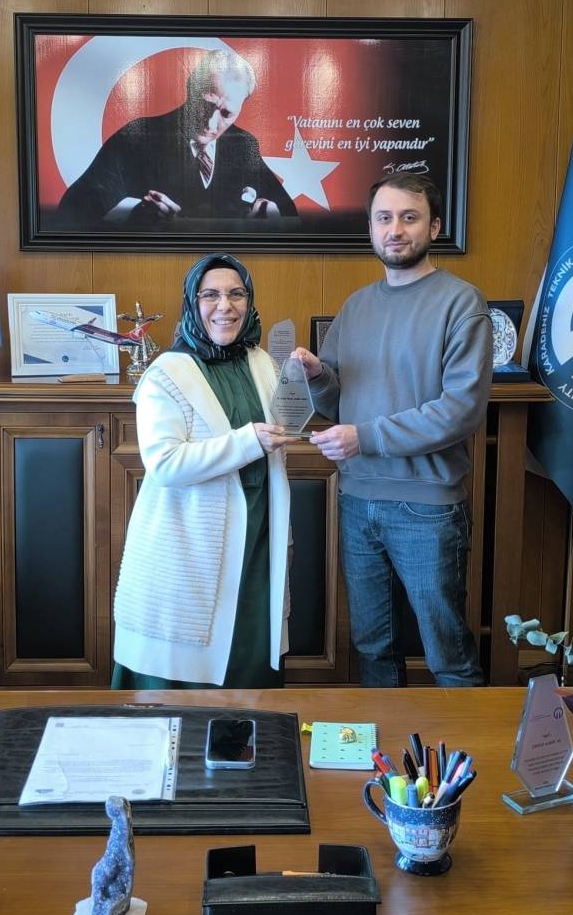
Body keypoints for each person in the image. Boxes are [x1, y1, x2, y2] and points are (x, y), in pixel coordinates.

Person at [291, 172, 492, 688]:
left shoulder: (461, 303)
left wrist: (366, 437)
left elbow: (461, 410)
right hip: (358, 501)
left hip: (428, 506)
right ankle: (386, 745)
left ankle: (466, 742)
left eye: (409, 217)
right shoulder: (356, 306)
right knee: (372, 649)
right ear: (371, 228)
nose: (395, 229)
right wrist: (316, 377)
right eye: (384, 218)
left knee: (447, 651)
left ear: (435, 227)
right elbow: (336, 402)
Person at [111, 253, 291, 688]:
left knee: (249, 659)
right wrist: (248, 441)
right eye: (210, 295)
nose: (224, 306)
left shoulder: (262, 362)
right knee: (181, 675)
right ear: (192, 304)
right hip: (188, 545)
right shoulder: (165, 373)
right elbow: (164, 463)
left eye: (236, 294)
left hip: (257, 539)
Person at [54, 50, 298, 228]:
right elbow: (72, 212)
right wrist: (133, 214)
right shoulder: (136, 138)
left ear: (241, 108)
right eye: (206, 105)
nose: (211, 124)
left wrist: (273, 216)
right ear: (190, 88)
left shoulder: (242, 145)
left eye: (226, 114)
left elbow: (292, 217)